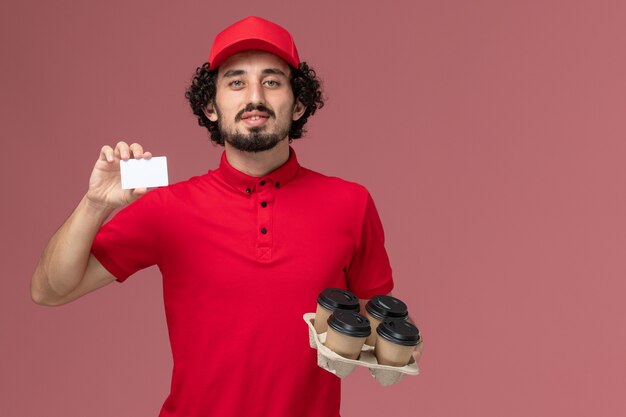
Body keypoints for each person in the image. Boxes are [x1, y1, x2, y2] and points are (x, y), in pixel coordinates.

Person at [31, 16, 423, 417]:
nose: (255, 96)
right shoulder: (169, 208)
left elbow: (378, 326)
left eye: (272, 81)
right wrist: (96, 204)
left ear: (299, 103)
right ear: (211, 107)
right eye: (236, 82)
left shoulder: (350, 203)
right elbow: (50, 290)